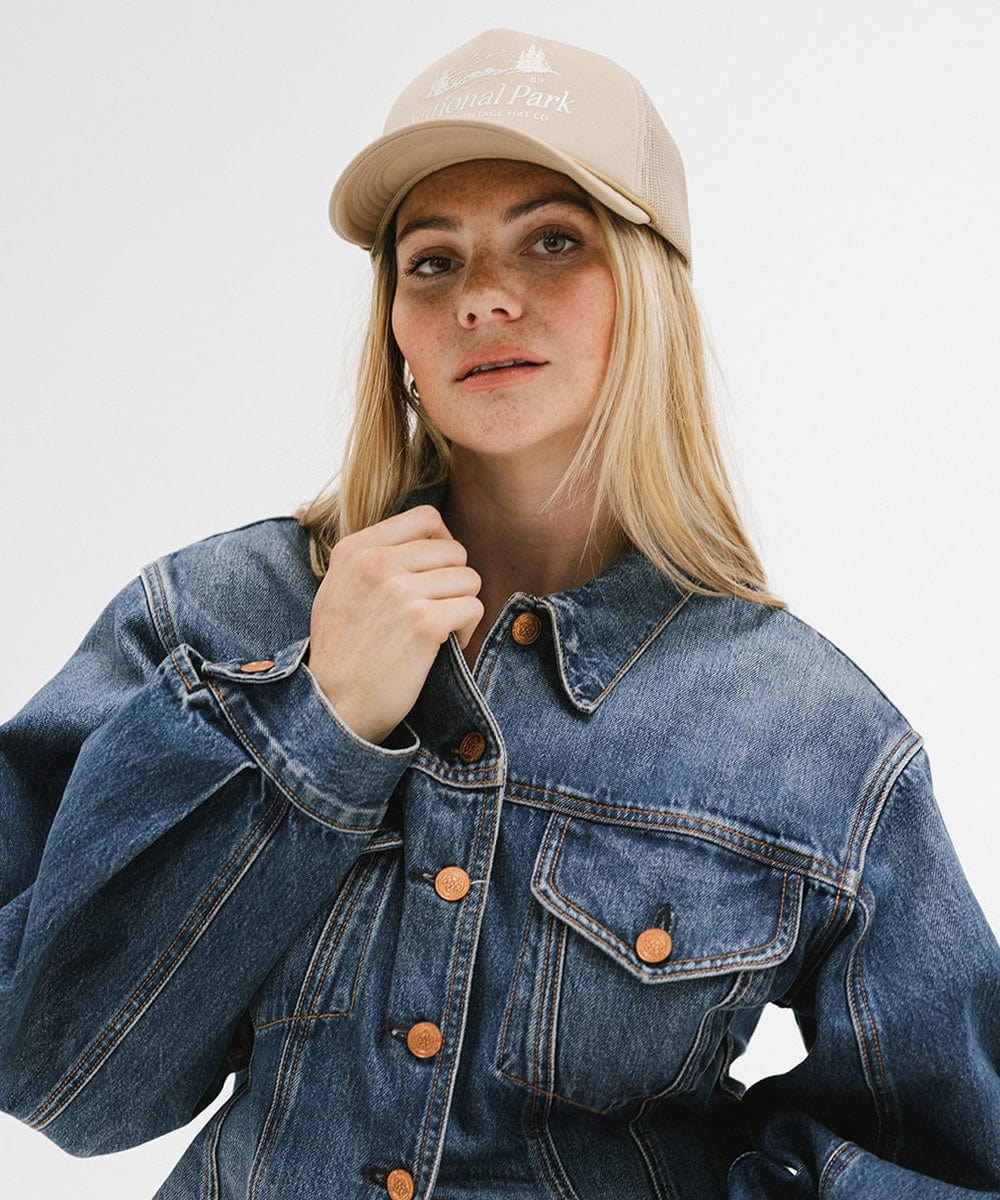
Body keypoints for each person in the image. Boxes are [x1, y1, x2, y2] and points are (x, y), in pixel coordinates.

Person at [1, 26, 998, 1200]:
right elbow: (60, 1079)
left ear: (646, 290)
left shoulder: (812, 736)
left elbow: (949, 1156)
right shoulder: (213, 620)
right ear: (395, 331)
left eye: (553, 241)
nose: (481, 297)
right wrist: (318, 722)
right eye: (432, 261)